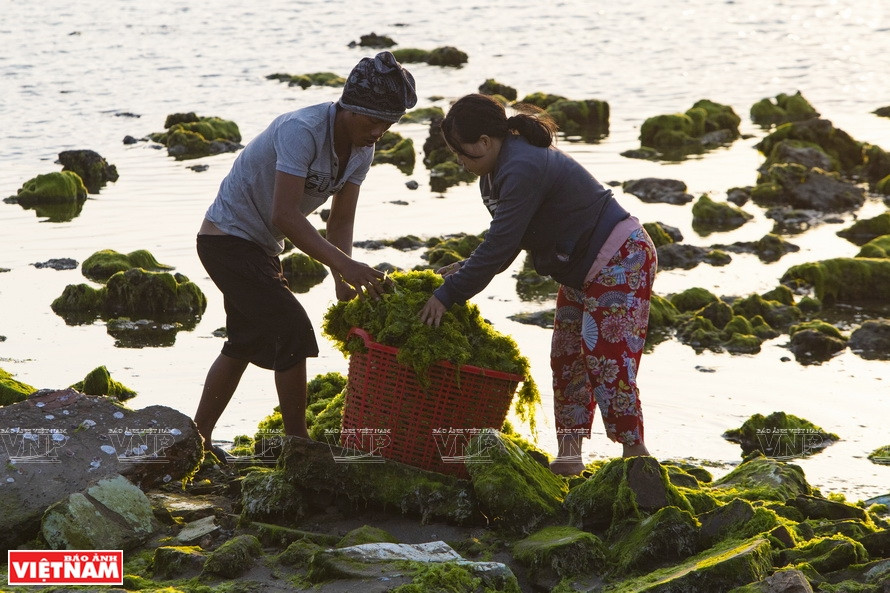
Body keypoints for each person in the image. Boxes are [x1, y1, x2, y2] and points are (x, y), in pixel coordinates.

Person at [194, 51, 417, 459]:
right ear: (350, 108)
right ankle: (299, 444)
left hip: (260, 247)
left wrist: (341, 281)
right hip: (226, 240)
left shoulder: (363, 148)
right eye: (373, 121)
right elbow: (285, 214)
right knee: (293, 329)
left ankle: (198, 439)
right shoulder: (303, 130)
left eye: (389, 123)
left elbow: (341, 221)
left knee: (243, 342)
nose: (380, 131)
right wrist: (344, 264)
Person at [419, 93, 656, 475]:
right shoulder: (493, 172)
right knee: (566, 359)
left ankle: (637, 457)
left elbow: (500, 244)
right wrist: (464, 268)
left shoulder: (522, 164)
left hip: (619, 258)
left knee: (606, 361)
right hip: (581, 270)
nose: (461, 163)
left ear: (485, 142)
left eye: (464, 153)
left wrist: (448, 295)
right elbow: (511, 238)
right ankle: (569, 458)